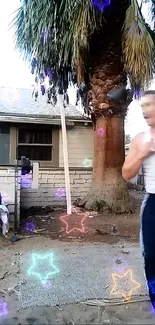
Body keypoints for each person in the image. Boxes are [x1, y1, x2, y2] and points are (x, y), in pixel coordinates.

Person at [122, 90, 155, 309]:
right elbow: (126, 173)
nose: (145, 110)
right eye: (142, 106)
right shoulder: (139, 140)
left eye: (150, 105)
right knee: (151, 255)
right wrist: (142, 153)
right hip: (153, 203)